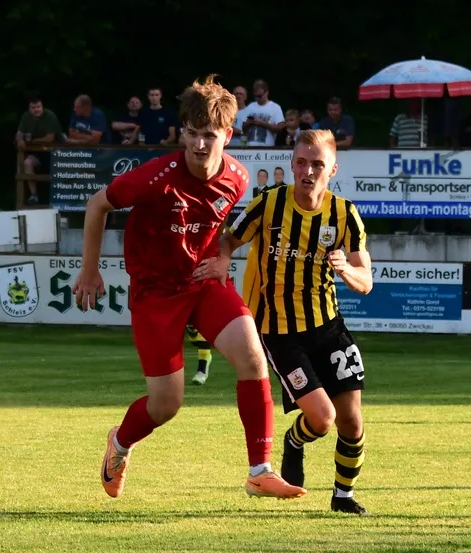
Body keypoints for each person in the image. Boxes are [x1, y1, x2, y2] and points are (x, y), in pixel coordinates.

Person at [72, 74, 307, 501]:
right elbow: (97, 204)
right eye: (193, 134)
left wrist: (223, 258)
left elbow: (222, 231)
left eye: (210, 136)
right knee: (166, 405)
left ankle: (260, 471)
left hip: (201, 283)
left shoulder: (237, 178)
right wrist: (90, 271)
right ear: (184, 132)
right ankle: (120, 444)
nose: (200, 145)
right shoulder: (155, 177)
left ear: (228, 136)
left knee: (253, 356)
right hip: (155, 293)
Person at [209, 128, 373, 515]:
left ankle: (344, 496)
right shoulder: (268, 204)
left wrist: (346, 271)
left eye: (317, 164)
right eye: (301, 162)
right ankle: (295, 441)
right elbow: (229, 239)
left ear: (333, 168)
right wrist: (222, 258)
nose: (308, 171)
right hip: (280, 332)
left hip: (328, 327)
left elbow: (365, 280)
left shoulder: (344, 213)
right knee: (323, 418)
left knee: (351, 420)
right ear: (292, 165)